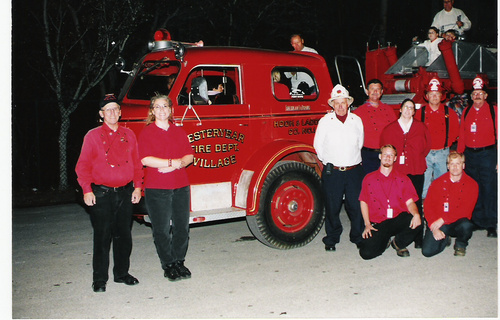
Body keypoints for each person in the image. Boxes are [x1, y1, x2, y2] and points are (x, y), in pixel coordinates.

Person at [75, 94, 143, 293]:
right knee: (103, 236)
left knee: (124, 235)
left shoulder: (129, 134)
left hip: (125, 193)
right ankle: (99, 279)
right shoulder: (92, 136)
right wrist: (87, 190)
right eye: (108, 110)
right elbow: (82, 167)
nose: (112, 113)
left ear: (120, 112)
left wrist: (137, 187)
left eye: (115, 109)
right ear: (101, 114)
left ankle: (121, 273)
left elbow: (137, 164)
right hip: (102, 194)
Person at [138, 94, 194, 281]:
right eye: (157, 107)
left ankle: (179, 261)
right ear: (152, 111)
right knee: (161, 230)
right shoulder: (147, 132)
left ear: (170, 109)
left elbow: (189, 157)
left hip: (181, 186)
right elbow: (145, 159)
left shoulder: (179, 131)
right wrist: (172, 161)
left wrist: (175, 165)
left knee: (182, 228)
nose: (162, 110)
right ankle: (168, 264)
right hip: (157, 188)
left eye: (165, 106)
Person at [313, 84, 364, 251]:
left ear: (348, 103)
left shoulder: (357, 121)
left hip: (354, 171)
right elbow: (318, 146)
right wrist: (330, 161)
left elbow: (360, 143)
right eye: (337, 103)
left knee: (355, 206)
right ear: (332, 105)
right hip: (333, 172)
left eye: (343, 102)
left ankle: (357, 236)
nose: (341, 106)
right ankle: (332, 238)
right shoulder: (325, 122)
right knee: (332, 206)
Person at [380, 99, 431, 248]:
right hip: (398, 172)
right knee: (397, 203)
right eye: (406, 107)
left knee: (416, 202)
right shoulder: (390, 129)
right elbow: (384, 147)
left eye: (411, 108)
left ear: (414, 111)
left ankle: (418, 236)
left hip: (416, 170)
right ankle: (397, 234)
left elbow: (427, 146)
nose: (408, 110)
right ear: (400, 110)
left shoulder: (421, 127)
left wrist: (416, 157)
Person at [358, 144, 422, 260]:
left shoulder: (403, 179)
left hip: (397, 220)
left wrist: (416, 214)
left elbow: (410, 202)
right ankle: (385, 241)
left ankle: (398, 243)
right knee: (366, 253)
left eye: (391, 155)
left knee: (416, 221)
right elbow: (363, 202)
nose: (387, 158)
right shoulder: (369, 179)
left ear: (395, 158)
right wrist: (367, 224)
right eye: (385, 154)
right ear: (380, 156)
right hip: (378, 223)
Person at [457, 76, 498, 238]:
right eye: (474, 93)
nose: (477, 96)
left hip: (488, 154)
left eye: (480, 93)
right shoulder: (466, 111)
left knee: (489, 188)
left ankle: (491, 223)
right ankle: (477, 220)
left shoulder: (494, 111)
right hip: (470, 154)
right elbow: (462, 134)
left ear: (486, 95)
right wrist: (460, 156)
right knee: (473, 188)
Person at [422, 151, 478, 257]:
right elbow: (428, 205)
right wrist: (433, 227)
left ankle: (461, 244)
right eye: (452, 164)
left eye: (458, 163)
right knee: (427, 252)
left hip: (457, 221)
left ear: (463, 165)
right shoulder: (437, 183)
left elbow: (465, 210)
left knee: (466, 225)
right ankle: (445, 238)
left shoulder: (472, 184)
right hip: (439, 222)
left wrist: (443, 219)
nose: (455, 167)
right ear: (448, 166)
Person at [415, 78, 459, 200]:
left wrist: (446, 144)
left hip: (442, 154)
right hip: (425, 155)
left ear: (441, 96)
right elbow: (415, 133)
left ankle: (442, 209)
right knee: (424, 184)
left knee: (443, 184)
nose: (434, 97)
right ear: (427, 96)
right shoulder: (420, 113)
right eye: (431, 94)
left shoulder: (450, 112)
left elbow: (455, 131)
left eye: (437, 94)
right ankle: (424, 210)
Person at [354, 79, 397, 174]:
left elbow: (395, 131)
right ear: (367, 91)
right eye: (372, 89)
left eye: (378, 89)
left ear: (382, 92)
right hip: (367, 155)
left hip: (386, 155)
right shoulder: (358, 112)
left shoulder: (388, 110)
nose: (375, 92)